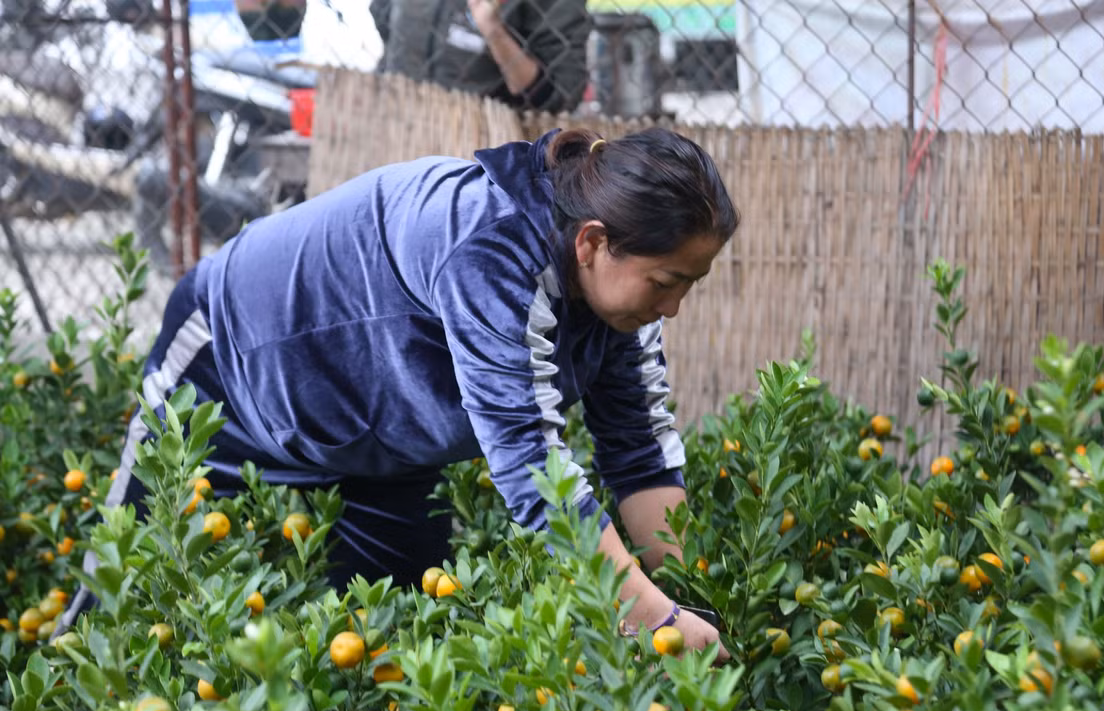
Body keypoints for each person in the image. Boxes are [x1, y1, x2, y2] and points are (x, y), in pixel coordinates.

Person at [57, 126, 738, 658]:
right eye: (666, 281)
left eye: (690, 283)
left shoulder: (622, 304)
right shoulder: (492, 244)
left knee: (393, 649)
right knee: (118, 597)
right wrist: (646, 614)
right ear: (593, 242)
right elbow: (534, 468)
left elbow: (641, 455)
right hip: (230, 367)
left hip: (382, 442)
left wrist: (685, 606)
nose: (674, 307)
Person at [370, 0, 592, 114]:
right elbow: (382, 16)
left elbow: (560, 94)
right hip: (396, 112)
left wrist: (493, 30)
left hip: (483, 141)